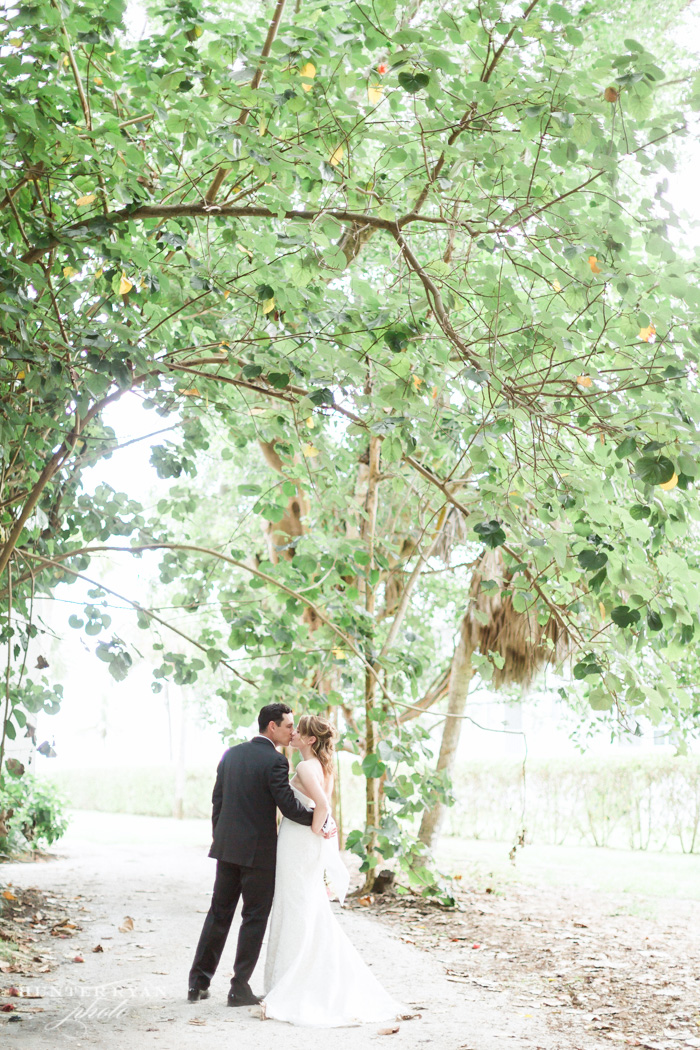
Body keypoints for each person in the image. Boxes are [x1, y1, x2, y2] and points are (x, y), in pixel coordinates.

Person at [262, 713, 401, 1027]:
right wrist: (324, 828)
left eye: (299, 731)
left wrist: (316, 831)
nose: (293, 733)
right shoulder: (325, 767)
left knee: (295, 905)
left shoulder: (304, 766)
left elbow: (322, 806)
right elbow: (325, 807)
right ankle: (292, 978)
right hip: (307, 841)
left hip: (300, 842)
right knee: (305, 905)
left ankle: (290, 983)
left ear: (311, 740)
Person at [187, 702, 327, 1007]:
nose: (293, 731)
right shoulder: (276, 762)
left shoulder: (231, 754)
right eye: (289, 725)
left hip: (227, 848)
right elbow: (288, 806)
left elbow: (217, 803)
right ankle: (239, 988)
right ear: (272, 726)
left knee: (218, 914)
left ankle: (197, 983)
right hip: (259, 854)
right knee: (253, 917)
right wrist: (320, 821)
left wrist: (221, 838)